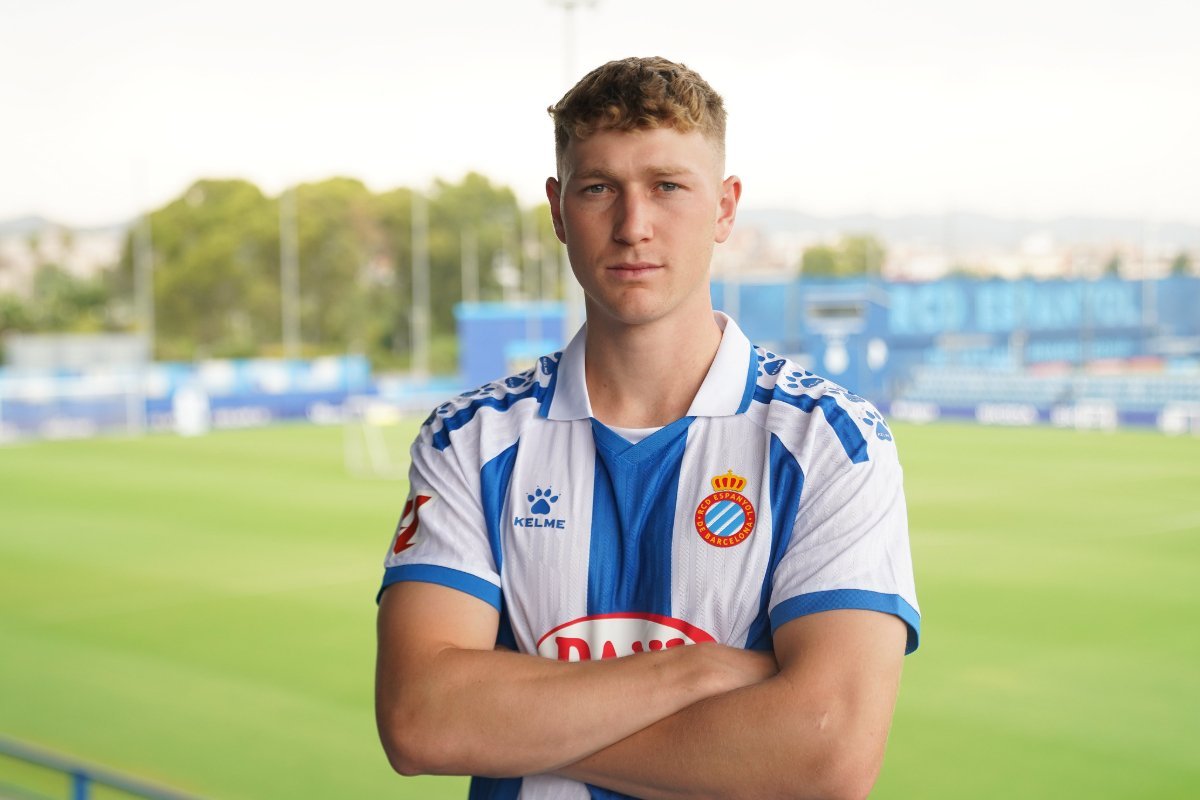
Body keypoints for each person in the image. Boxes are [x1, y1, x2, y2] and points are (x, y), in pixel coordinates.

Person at [375, 56, 920, 800]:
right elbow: (421, 719)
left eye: (667, 186)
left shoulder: (830, 441)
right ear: (559, 211)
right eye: (599, 188)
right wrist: (689, 672)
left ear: (724, 207)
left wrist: (514, 726)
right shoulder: (469, 440)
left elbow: (828, 757)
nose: (634, 226)